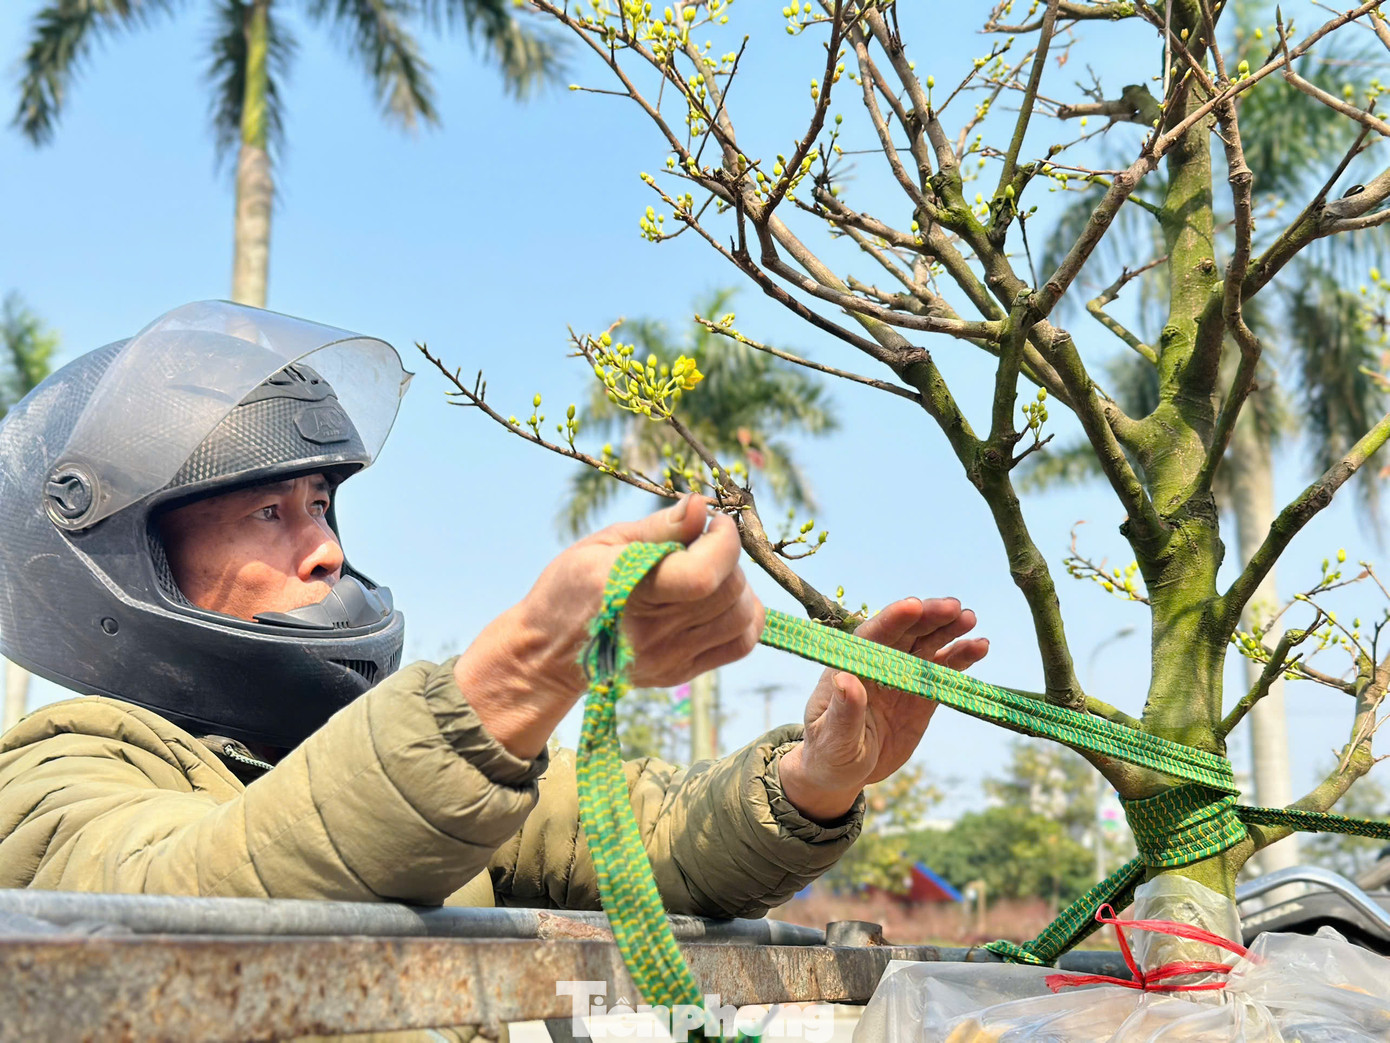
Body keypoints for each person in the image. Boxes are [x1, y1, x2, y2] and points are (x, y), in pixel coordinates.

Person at [0, 301, 987, 917]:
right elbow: (177, 894)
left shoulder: (358, 755)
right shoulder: (51, 773)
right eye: (267, 509)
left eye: (320, 503)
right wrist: (526, 668)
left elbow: (635, 833)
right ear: (122, 560)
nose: (327, 548)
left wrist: (812, 779)